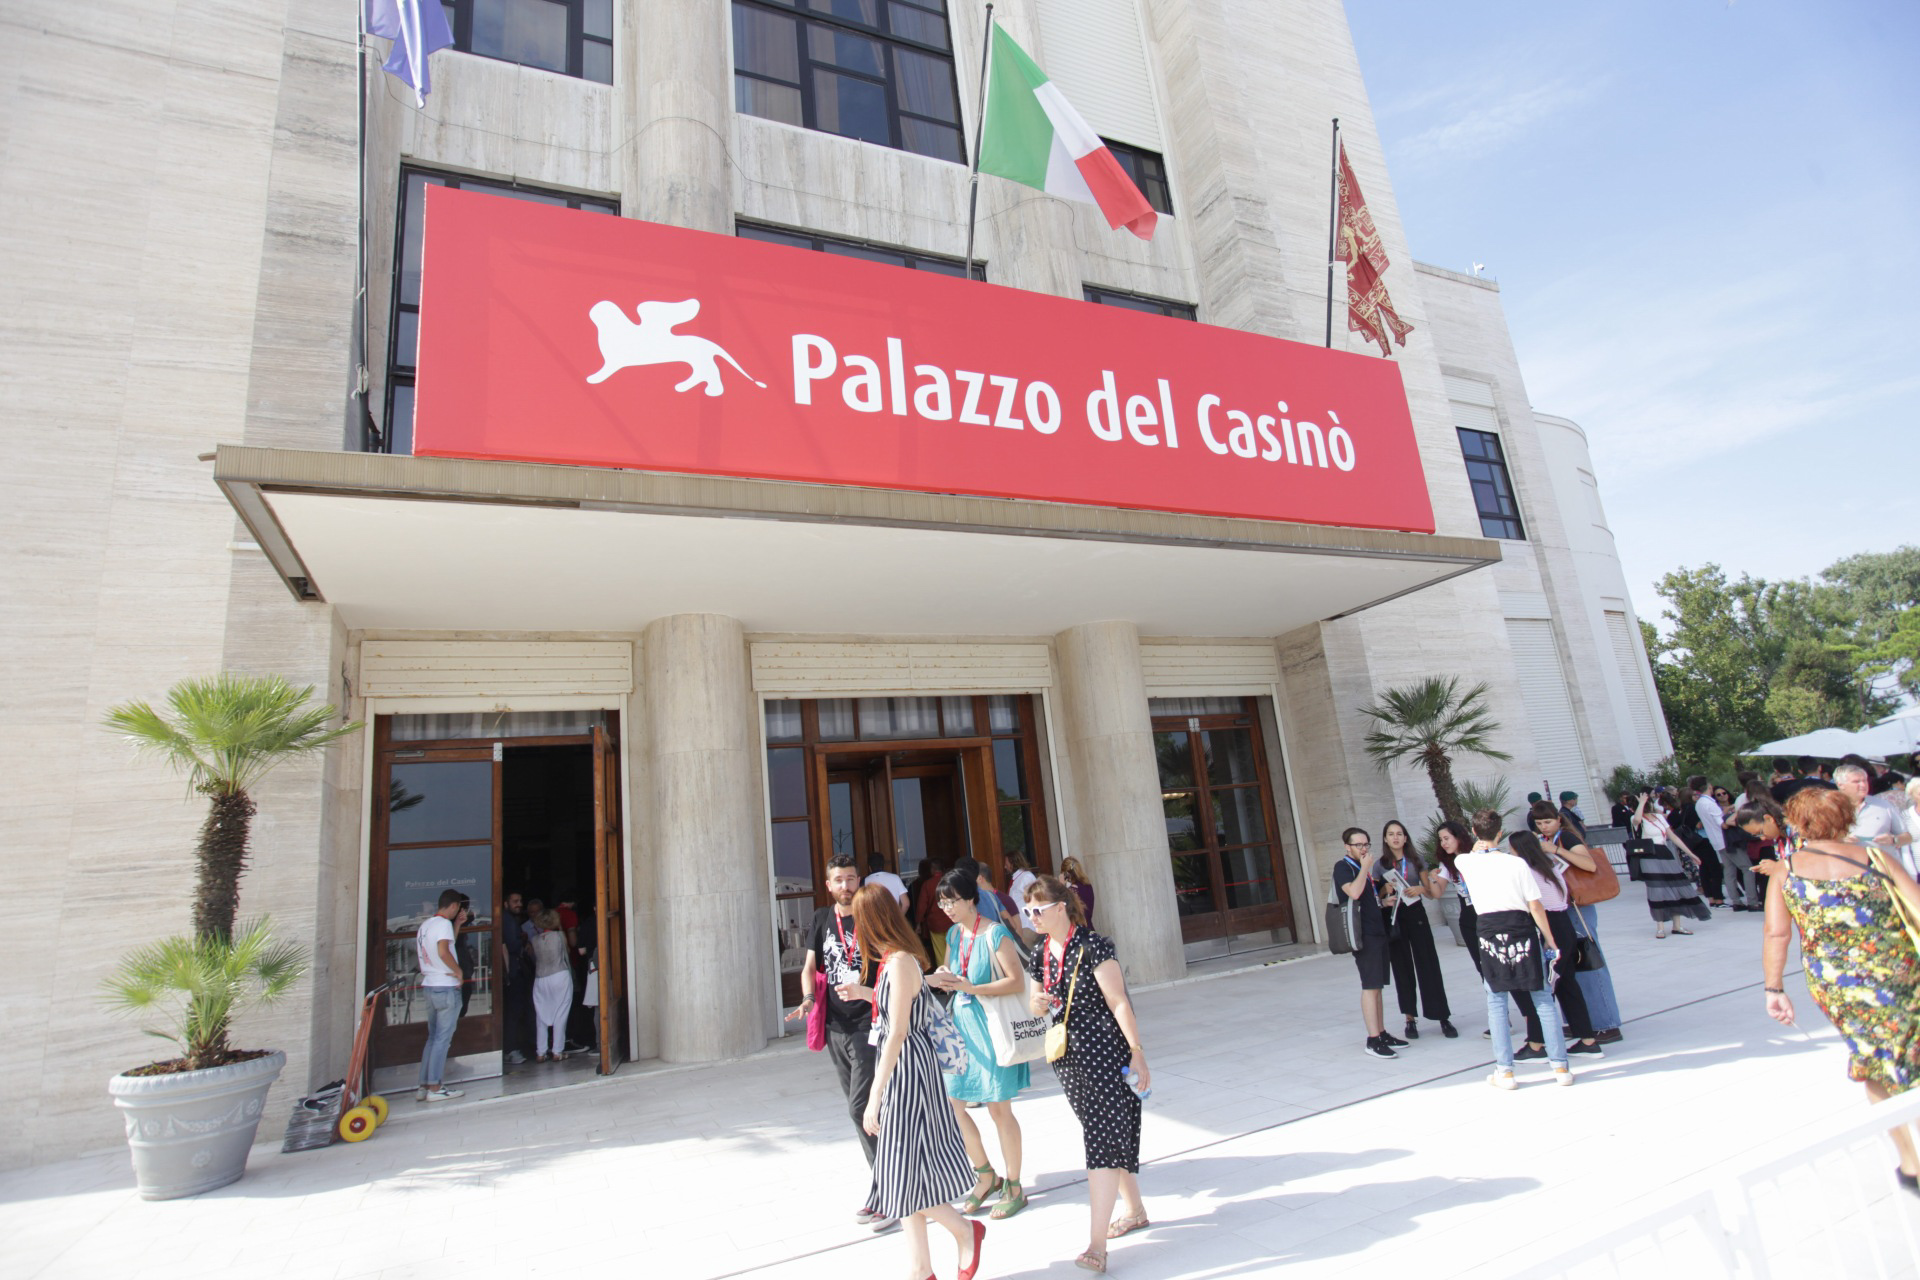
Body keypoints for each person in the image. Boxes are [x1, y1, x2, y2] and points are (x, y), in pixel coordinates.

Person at [1762, 787, 1920, 1197]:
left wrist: (1774, 988)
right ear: (1847, 817)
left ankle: (1910, 1160)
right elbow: (1917, 906)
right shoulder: (1876, 857)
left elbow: (1777, 933)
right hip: (1899, 973)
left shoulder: (1786, 869)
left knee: (1871, 1058)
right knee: (1911, 1047)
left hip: (1838, 985)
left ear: (1797, 822)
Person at [852, 885, 987, 1280]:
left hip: (906, 1070)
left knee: (897, 1175)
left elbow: (896, 1032)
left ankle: (964, 1231)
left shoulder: (898, 963)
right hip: (906, 1066)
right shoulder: (895, 960)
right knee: (904, 1173)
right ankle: (920, 1268)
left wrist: (875, 1097)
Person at [1023, 874, 1152, 1273]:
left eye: (1038, 910)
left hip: (1105, 1054)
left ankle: (1097, 1245)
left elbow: (1119, 1002)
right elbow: (1032, 1004)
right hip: (1067, 1058)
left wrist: (1137, 1052)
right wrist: (1039, 1004)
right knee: (1107, 1133)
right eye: (1028, 912)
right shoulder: (1040, 951)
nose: (1032, 918)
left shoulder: (1094, 946)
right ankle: (1135, 1210)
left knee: (1100, 1139)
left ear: (1061, 907)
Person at [786, 855, 892, 1232]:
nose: (846, 886)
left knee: (861, 1108)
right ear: (828, 885)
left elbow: (893, 962)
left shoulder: (871, 915)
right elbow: (810, 968)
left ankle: (887, 1192)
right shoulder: (819, 919)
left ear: (859, 881)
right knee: (866, 1109)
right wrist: (809, 999)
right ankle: (898, 1178)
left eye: (851, 879)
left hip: (868, 1022)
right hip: (835, 1026)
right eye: (839, 880)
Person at [925, 866, 1031, 1220]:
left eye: (952, 901)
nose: (948, 909)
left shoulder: (995, 934)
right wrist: (944, 978)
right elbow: (953, 970)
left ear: (971, 898)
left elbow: (1016, 982)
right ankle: (986, 1174)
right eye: (942, 904)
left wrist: (971, 987)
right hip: (962, 1029)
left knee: (1000, 1110)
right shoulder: (955, 935)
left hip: (993, 1028)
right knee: (953, 1107)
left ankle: (1015, 1185)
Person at [1455, 811, 1572, 1090]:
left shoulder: (1465, 862)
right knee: (1542, 996)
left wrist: (1479, 843)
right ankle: (1560, 1067)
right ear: (1500, 833)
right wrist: (1551, 940)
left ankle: (1505, 1071)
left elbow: (1469, 853)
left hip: (1489, 929)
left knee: (1496, 1000)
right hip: (1520, 926)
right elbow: (1535, 905)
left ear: (1473, 831)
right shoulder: (1517, 864)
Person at [1507, 830, 1605, 1060]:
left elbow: (1534, 906)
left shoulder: (1527, 873)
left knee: (1542, 988)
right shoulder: (1549, 866)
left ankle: (1536, 1044)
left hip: (1549, 929)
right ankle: (1587, 1039)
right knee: (1566, 984)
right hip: (1564, 926)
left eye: (1511, 848)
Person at [1531, 801, 1623, 1045]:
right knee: (1567, 967)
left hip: (1577, 908)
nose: (1544, 827)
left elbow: (1589, 864)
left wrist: (1555, 850)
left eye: (1548, 821)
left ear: (1558, 820)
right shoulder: (1545, 839)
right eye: (1540, 823)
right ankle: (1580, 1021)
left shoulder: (1567, 839)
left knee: (1589, 962)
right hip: (1559, 908)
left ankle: (1606, 1023)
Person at [1378, 820, 1455, 1039]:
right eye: (1391, 834)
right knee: (1402, 967)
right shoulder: (1380, 864)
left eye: (1399, 833)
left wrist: (1421, 888)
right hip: (1394, 916)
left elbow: (1431, 893)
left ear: (1405, 837)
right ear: (1385, 838)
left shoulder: (1416, 860)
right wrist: (1385, 888)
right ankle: (1410, 1018)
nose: (1395, 838)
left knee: (1428, 963)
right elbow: (1377, 895)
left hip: (1416, 914)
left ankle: (1442, 1016)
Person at [1334, 827, 1403, 1058]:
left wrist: (1383, 903)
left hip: (1377, 930)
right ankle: (1372, 1039)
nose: (1363, 849)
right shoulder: (1343, 867)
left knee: (1378, 987)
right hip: (1363, 935)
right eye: (1358, 845)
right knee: (1369, 986)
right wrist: (1364, 867)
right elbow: (1353, 892)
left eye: (1366, 845)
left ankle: (1381, 1032)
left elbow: (1366, 897)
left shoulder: (1361, 867)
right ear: (1347, 847)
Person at [414, 889, 466, 1102]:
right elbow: (444, 951)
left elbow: (444, 945)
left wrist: (458, 925)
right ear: (453, 905)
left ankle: (424, 1085)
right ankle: (436, 1087)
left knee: (433, 1038)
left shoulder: (426, 925)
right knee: (442, 1039)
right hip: (445, 986)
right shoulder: (443, 924)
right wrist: (458, 971)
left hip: (429, 984)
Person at [1635, 792, 1710, 937]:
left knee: (1675, 887)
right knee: (1657, 890)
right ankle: (1660, 927)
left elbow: (1673, 836)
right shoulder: (1639, 818)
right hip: (1649, 855)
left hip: (1664, 852)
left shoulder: (1659, 818)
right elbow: (1637, 820)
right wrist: (1640, 803)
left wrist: (1691, 854)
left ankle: (1677, 925)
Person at [1430, 820, 1479, 974]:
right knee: (1481, 965)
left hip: (1486, 911)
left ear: (1458, 837)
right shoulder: (1446, 863)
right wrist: (1432, 878)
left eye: (1446, 838)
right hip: (1468, 915)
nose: (1443, 843)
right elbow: (1437, 893)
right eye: (1441, 840)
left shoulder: (1476, 855)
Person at [1838, 762, 1913, 861]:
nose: (1863, 785)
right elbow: (1815, 841)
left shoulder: (1884, 805)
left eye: (1865, 780)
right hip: (1847, 867)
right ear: (1841, 785)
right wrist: (1839, 841)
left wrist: (1893, 839)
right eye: (1856, 782)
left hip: (1882, 868)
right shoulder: (1829, 807)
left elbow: (1907, 837)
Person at [528, 908, 573, 1062]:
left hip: (540, 977)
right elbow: (567, 950)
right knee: (561, 1013)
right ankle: (557, 1051)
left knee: (541, 1014)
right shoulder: (559, 935)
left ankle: (540, 1052)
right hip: (559, 974)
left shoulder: (534, 940)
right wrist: (560, 929)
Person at [1677, 779, 1725, 907]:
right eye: (1694, 794)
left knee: (1704, 869)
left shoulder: (1684, 810)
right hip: (1702, 839)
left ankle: (1710, 897)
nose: (1696, 795)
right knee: (1714, 869)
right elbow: (1698, 824)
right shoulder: (1694, 807)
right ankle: (1718, 898)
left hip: (1694, 842)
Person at [914, 858, 954, 966]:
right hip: (952, 922)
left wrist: (918, 923)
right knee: (955, 950)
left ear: (932, 870)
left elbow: (922, 906)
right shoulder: (950, 881)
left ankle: (945, 975)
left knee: (941, 953)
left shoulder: (928, 884)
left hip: (936, 924)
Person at [1060, 856, 1097, 928]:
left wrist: (1061, 886)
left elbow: (1062, 911)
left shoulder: (1071, 891)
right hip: (1089, 927)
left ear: (1066, 874)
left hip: (1078, 930)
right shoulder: (1088, 885)